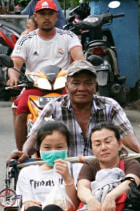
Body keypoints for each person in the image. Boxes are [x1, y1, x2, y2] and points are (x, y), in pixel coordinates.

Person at [17, 60, 140, 160]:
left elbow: (125, 133)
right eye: (76, 83)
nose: (81, 88)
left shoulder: (110, 106)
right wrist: (24, 153)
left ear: (95, 87)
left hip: (103, 170)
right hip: (66, 172)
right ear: (67, 87)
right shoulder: (54, 107)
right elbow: (35, 136)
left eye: (88, 83)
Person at [7, 0, 84, 151]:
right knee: (20, 107)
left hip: (63, 86)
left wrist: (81, 68)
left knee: (82, 105)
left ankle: (82, 146)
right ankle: (22, 152)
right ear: (35, 17)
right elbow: (14, 66)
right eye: (42, 14)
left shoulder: (68, 37)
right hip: (35, 86)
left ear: (57, 16)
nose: (46, 18)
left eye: (50, 14)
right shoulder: (26, 40)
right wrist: (13, 77)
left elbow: (79, 59)